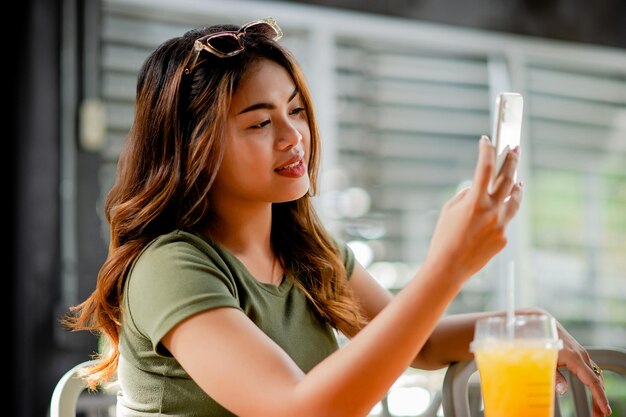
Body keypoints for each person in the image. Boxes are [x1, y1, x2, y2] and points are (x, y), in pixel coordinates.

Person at [64, 17, 612, 417]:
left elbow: (416, 342)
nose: (292, 135)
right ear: (192, 147)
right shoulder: (172, 266)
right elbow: (299, 410)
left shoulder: (304, 249)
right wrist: (448, 265)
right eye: (260, 123)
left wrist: (525, 325)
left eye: (296, 111)